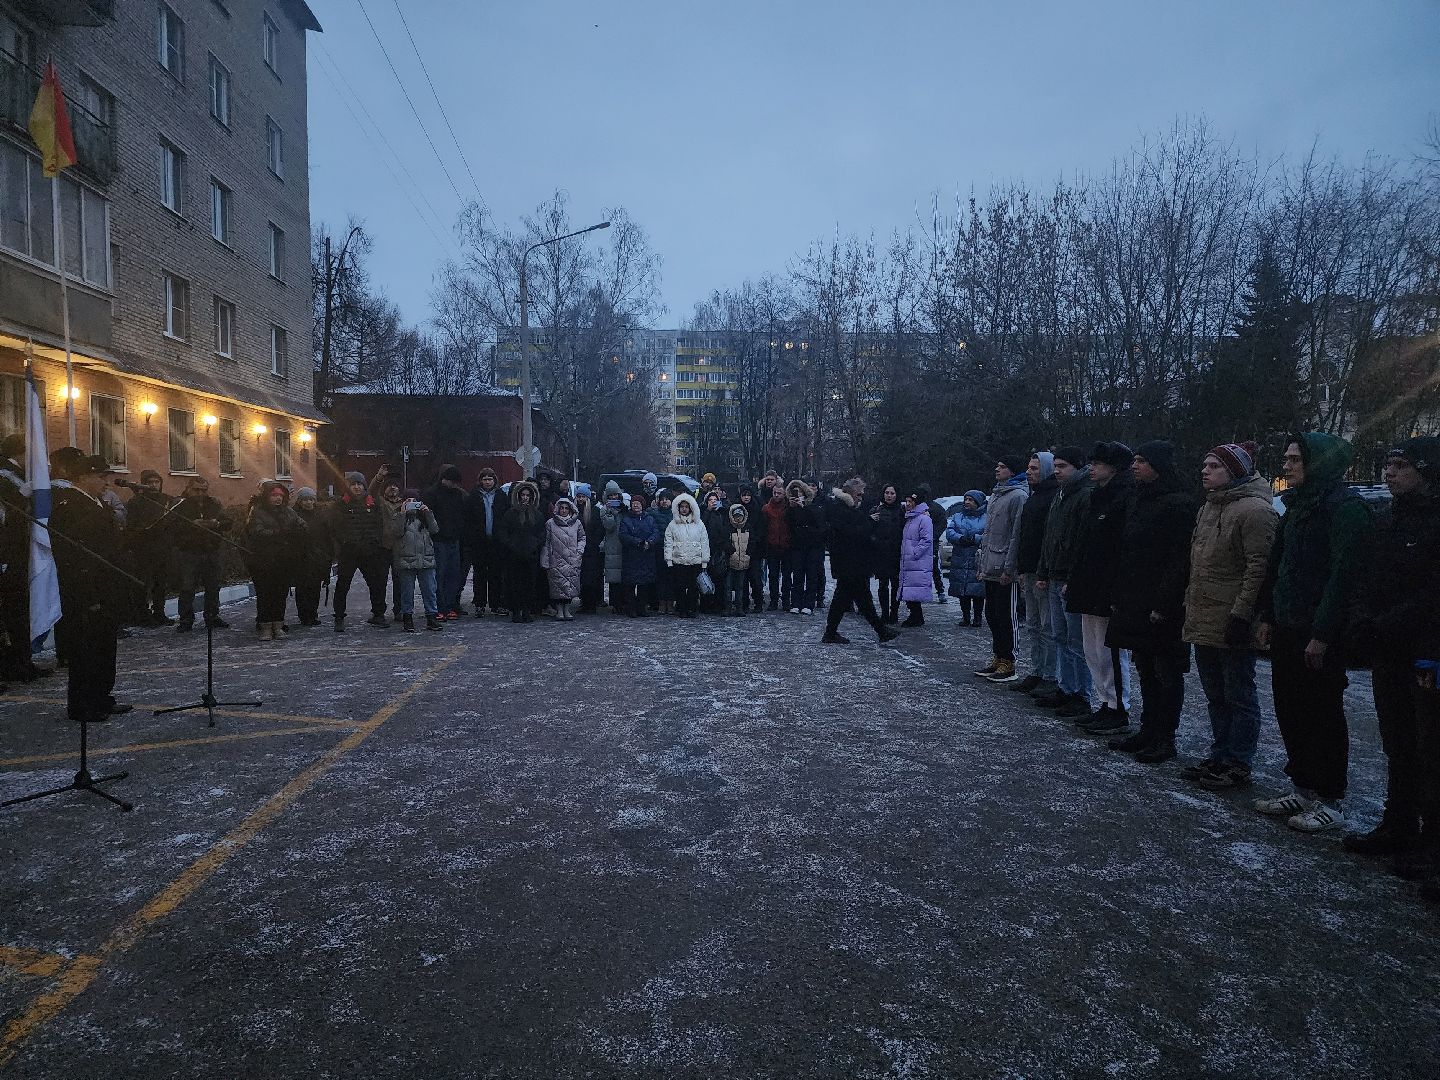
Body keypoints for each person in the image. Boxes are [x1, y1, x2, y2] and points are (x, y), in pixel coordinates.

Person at [1254, 432, 1373, 833]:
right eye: (1286, 458)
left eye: (1294, 459)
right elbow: (1279, 566)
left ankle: (1330, 797)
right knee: (1290, 707)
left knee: (1323, 711)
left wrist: (1321, 633)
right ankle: (1302, 786)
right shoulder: (1297, 506)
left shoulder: (1345, 509)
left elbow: (1343, 578)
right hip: (1289, 625)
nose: (1285, 465)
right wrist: (1268, 615)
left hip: (1320, 632)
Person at [1344, 437, 1440, 872]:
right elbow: (1367, 575)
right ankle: (1398, 824)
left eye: (1401, 465)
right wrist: (1364, 617)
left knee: (1429, 748)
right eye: (1388, 465)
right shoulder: (1387, 517)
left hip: (1425, 650)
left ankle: (1430, 843)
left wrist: (1387, 620)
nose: (1390, 473)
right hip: (1387, 649)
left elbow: (1431, 593)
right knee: (1397, 742)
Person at [1179, 442, 1278, 790]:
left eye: (1214, 466)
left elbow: (1258, 569)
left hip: (1232, 618)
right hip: (1203, 614)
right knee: (1215, 693)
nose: (1205, 471)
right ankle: (1220, 753)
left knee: (1239, 693)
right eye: (1205, 465)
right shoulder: (1209, 507)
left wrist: (1242, 614)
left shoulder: (1254, 511)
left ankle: (1238, 761)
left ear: (1234, 471)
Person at [1101, 441, 1199, 761]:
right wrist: (1118, 594)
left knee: (1166, 672)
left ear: (1159, 465)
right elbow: (1126, 552)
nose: (1135, 466)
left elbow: (1178, 559)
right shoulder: (1139, 499)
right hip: (1135, 597)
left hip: (1162, 603)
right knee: (1144, 667)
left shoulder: (1180, 503)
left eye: (1142, 461)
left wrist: (1165, 602)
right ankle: (1148, 730)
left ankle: (1165, 737)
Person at [48, 451, 130, 722]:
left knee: (104, 646)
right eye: (99, 476)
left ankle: (101, 697)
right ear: (81, 477)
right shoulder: (70, 504)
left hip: (106, 586)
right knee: (86, 649)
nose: (105, 482)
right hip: (87, 589)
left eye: (106, 476)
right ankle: (83, 704)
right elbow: (75, 555)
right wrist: (89, 594)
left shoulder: (94, 501)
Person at [1065, 442, 1135, 732]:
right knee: (1092, 648)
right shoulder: (1097, 497)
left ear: (1114, 467)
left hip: (1107, 585)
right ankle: (1104, 701)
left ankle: (1118, 707)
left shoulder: (1124, 497)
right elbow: (1084, 543)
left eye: (1098, 463)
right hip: (1088, 583)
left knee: (1111, 650)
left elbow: (1120, 548)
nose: (1091, 468)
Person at [1034, 447, 1095, 718]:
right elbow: (1050, 538)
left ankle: (1081, 693)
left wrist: (1073, 577)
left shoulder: (1084, 495)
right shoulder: (1061, 494)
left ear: (1077, 467)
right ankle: (1066, 687)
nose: (1057, 470)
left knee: (1075, 640)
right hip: (1055, 575)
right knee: (1060, 636)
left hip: (1070, 578)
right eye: (1055, 466)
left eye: (1063, 466)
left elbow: (1082, 543)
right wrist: (1044, 571)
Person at [822, 478, 899, 644]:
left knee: (849, 599)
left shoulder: (845, 508)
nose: (861, 496)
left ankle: (832, 632)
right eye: (859, 493)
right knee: (858, 600)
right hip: (850, 563)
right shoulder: (840, 509)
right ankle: (880, 630)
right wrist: (870, 522)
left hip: (852, 564)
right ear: (850, 493)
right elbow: (852, 533)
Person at [0, 433, 51, 682]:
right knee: (13, 609)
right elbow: (10, 509)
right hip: (9, 550)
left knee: (22, 609)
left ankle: (24, 660)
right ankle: (14, 664)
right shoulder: (5, 474)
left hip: (23, 548)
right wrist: (23, 493)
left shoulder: (19, 474)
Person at [974, 455, 1029, 683]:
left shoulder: (1018, 496)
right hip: (991, 566)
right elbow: (988, 535)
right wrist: (982, 565)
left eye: (1003, 466)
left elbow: (1016, 534)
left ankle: (1009, 661)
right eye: (997, 465)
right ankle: (998, 656)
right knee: (993, 615)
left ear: (1013, 471)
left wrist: (1010, 568)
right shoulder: (997, 495)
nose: (997, 469)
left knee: (1007, 616)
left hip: (1005, 568)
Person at [1012, 453, 1059, 695]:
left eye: (1034, 468)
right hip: (1029, 570)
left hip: (1044, 573)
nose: (1029, 472)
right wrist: (1021, 568)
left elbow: (1048, 539)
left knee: (1047, 625)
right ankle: (1037, 670)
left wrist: (1044, 570)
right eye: (1028, 468)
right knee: (1032, 625)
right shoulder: (1034, 496)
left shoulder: (1052, 497)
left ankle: (1050, 675)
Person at [329, 469, 390, 632]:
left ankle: (378, 614)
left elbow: (379, 524)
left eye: (359, 484)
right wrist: (344, 542)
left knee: (376, 584)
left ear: (364, 486)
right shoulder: (341, 504)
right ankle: (339, 617)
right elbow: (335, 526)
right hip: (349, 551)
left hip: (369, 551)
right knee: (343, 585)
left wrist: (374, 542)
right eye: (353, 484)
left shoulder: (373, 502)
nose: (356, 487)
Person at [244, 481, 305, 641]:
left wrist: (296, 533)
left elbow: (302, 526)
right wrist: (280, 533)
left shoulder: (288, 512)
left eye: (280, 495)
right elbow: (256, 532)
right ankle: (265, 627)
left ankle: (278, 625)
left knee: (280, 594)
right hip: (263, 561)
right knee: (265, 594)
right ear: (266, 496)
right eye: (274, 495)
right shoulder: (257, 511)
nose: (278, 498)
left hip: (283, 560)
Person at [172, 475, 233, 633]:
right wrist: (191, 525)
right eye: (196, 490)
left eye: (203, 490)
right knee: (187, 587)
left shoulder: (214, 504)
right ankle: (185, 620)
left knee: (213, 586)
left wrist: (216, 524)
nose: (200, 494)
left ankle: (212, 616)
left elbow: (228, 522)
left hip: (211, 550)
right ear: (189, 489)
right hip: (189, 551)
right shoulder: (180, 504)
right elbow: (172, 526)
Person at [122, 469, 174, 626]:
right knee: (143, 584)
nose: (153, 485)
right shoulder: (136, 502)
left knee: (161, 583)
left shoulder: (166, 500)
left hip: (163, 548)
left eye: (157, 482)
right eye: (150, 482)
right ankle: (143, 615)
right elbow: (131, 525)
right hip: (143, 549)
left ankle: (159, 612)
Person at [462, 467, 510, 617]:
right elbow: (468, 520)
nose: (488, 482)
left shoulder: (501, 496)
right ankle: (479, 604)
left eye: (490, 479)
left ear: (494, 480)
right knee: (480, 575)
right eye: (485, 479)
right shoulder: (474, 496)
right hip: (479, 542)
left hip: (496, 541)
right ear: (480, 481)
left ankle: (496, 604)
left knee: (496, 574)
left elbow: (505, 518)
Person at [423, 464, 467, 620]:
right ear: (445, 480)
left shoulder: (458, 495)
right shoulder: (432, 495)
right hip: (438, 540)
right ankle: (439, 607)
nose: (455, 485)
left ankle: (448, 606)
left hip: (454, 539)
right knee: (439, 575)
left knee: (452, 574)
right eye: (453, 482)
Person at [497, 480, 543, 622]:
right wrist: (511, 545)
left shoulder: (536, 514)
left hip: (531, 556)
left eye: (527, 495)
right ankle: (516, 610)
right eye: (522, 495)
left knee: (530, 584)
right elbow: (503, 532)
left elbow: (541, 533)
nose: (525, 498)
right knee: (514, 584)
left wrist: (535, 545)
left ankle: (527, 610)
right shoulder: (510, 514)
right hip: (514, 556)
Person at [945, 491, 988, 627]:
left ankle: (977, 618)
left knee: (977, 590)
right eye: (966, 499)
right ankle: (965, 617)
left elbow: (989, 534)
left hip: (977, 558)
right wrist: (960, 538)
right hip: (960, 557)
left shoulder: (986, 517)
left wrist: (975, 539)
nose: (967, 502)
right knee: (962, 591)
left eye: (971, 500)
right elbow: (950, 532)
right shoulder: (958, 516)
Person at [292, 487, 333, 627]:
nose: (308, 502)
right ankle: (304, 616)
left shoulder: (320, 515)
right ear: (299, 501)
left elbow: (327, 537)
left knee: (315, 588)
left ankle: (313, 614)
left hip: (318, 558)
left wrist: (327, 555)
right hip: (300, 557)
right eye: (305, 499)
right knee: (302, 588)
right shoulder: (293, 515)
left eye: (311, 499)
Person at [541, 496, 586, 621]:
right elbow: (546, 542)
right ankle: (559, 610)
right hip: (556, 559)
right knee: (557, 585)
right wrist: (545, 559)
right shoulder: (550, 523)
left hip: (572, 558)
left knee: (570, 585)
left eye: (566, 508)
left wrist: (579, 551)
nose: (564, 510)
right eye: (561, 508)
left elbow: (582, 537)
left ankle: (567, 609)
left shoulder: (577, 523)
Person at [665, 492, 709, 618]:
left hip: (695, 561)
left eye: (686, 506)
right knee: (679, 587)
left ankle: (692, 608)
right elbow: (668, 542)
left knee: (693, 587)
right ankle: (681, 608)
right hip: (678, 560)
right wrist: (669, 560)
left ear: (691, 508)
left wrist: (704, 560)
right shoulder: (672, 525)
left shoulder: (699, 524)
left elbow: (704, 542)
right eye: (682, 506)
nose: (684, 509)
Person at [618, 493, 661, 616]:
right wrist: (639, 542)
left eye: (638, 503)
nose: (636, 505)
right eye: (634, 503)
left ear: (643, 505)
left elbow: (656, 532)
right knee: (630, 585)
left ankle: (642, 608)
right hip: (631, 556)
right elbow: (623, 535)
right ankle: (631, 608)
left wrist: (650, 542)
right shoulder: (626, 519)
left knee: (644, 585)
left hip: (646, 556)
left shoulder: (650, 519)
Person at [786, 479, 823, 615]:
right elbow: (788, 523)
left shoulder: (813, 506)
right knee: (797, 575)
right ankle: (796, 602)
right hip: (797, 545)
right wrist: (791, 507)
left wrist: (804, 507)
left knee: (811, 575)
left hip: (812, 546)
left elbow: (819, 525)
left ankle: (809, 603)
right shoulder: (791, 508)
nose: (798, 494)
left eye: (800, 491)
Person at [898, 489, 934, 626]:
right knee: (910, 590)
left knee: (914, 590)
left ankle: (916, 617)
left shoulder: (923, 519)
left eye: (910, 501)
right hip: (910, 562)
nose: (907, 504)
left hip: (916, 561)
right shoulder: (911, 517)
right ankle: (915, 615)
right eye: (906, 501)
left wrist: (914, 553)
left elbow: (926, 540)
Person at [871, 484, 905, 625]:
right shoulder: (877, 510)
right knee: (883, 585)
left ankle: (894, 612)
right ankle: (884, 613)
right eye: (887, 492)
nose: (889, 495)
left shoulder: (902, 511)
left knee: (896, 584)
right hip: (881, 553)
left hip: (897, 553)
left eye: (892, 493)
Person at [576, 487, 607, 614]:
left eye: (583, 497)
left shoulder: (595, 511)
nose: (580, 499)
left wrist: (591, 543)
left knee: (591, 578)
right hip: (578, 549)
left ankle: (591, 603)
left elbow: (599, 530)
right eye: (579, 496)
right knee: (581, 577)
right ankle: (584, 602)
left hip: (591, 550)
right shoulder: (574, 511)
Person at [700, 489, 731, 614]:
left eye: (715, 500)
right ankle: (706, 604)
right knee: (706, 577)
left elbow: (726, 529)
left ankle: (719, 604)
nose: (713, 502)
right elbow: (702, 525)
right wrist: (708, 510)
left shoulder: (723, 513)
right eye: (710, 500)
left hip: (719, 549)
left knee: (719, 578)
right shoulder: (703, 512)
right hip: (707, 548)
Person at [762, 480, 791, 611]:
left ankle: (786, 600)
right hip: (772, 545)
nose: (777, 495)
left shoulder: (789, 507)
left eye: (779, 493)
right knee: (773, 575)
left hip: (786, 546)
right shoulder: (766, 508)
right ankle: (773, 600)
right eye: (775, 493)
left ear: (784, 494)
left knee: (786, 576)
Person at [646, 488, 675, 613]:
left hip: (673, 551)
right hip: (658, 550)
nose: (664, 502)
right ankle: (661, 603)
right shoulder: (653, 514)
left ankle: (670, 602)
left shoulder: (675, 514)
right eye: (662, 499)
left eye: (667, 499)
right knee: (660, 578)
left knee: (671, 578)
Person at [600, 480, 626, 613]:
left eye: (615, 495)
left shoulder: (624, 508)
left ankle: (623, 602)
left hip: (623, 545)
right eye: (610, 496)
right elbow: (609, 526)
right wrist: (611, 512)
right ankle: (615, 604)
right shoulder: (604, 510)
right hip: (611, 546)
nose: (613, 498)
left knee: (623, 576)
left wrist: (622, 509)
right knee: (613, 577)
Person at [920, 485, 948, 604]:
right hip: (923, 542)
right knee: (926, 568)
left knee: (933, 567)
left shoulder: (935, 508)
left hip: (931, 542)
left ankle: (940, 591)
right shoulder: (918, 507)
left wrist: (932, 536)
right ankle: (936, 591)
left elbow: (942, 524)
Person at [726, 503, 753, 616]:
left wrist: (748, 554)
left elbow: (752, 543)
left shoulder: (748, 528)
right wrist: (731, 553)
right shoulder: (728, 528)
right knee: (727, 586)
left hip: (743, 562)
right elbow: (725, 543)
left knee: (740, 587)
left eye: (740, 516)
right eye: (736, 516)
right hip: (730, 562)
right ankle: (727, 607)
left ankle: (739, 607)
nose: (738, 518)